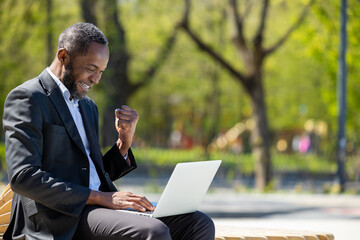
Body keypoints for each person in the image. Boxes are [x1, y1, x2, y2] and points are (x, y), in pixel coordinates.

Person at [2, 23, 215, 240]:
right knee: (153, 232)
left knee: (198, 223)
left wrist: (124, 143)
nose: (96, 79)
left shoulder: (87, 106)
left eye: (101, 72)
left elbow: (88, 172)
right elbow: (23, 177)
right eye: (91, 69)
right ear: (63, 56)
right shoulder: (28, 98)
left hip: (98, 209)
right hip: (57, 217)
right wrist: (102, 198)